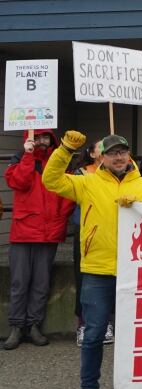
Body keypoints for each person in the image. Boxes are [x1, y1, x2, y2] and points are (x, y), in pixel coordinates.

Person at [42, 132, 142, 389]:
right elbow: (51, 180)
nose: (119, 157)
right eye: (112, 153)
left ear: (129, 155)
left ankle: (134, 387)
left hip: (134, 270)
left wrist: (138, 203)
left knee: (133, 335)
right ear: (101, 157)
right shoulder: (87, 182)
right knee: (94, 334)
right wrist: (65, 149)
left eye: (123, 152)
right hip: (97, 271)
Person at [3, 129, 75, 350]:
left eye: (47, 138)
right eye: (39, 137)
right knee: (19, 282)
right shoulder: (20, 159)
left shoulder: (59, 162)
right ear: (29, 139)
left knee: (41, 283)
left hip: (48, 231)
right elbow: (18, 183)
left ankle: (33, 325)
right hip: (24, 231)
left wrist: (59, 219)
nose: (43, 141)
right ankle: (16, 326)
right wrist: (27, 156)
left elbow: (68, 194)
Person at [69, 140, 115, 347]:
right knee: (85, 283)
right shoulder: (82, 174)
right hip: (87, 234)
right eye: (103, 147)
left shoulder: (118, 173)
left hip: (112, 236)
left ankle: (108, 323)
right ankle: (84, 325)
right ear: (93, 153)